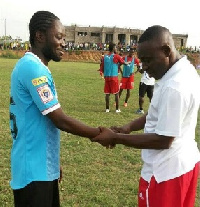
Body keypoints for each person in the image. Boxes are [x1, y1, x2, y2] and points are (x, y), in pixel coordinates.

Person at [93, 25, 200, 207]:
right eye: (141, 60)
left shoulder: (174, 86)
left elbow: (164, 140)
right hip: (184, 165)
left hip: (165, 173)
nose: (143, 67)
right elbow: (158, 112)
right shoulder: (185, 70)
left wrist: (116, 138)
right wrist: (129, 127)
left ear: (166, 51)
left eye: (148, 60)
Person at [9, 11, 100, 207]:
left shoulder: (36, 66)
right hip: (32, 172)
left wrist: (51, 160)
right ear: (40, 36)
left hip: (42, 166)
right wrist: (99, 134)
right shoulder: (32, 68)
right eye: (59, 37)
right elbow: (59, 119)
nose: (64, 42)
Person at [100, 43, 130, 113]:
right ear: (113, 48)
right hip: (114, 77)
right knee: (116, 93)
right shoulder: (116, 56)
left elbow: (102, 67)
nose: (116, 48)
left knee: (107, 93)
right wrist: (128, 62)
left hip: (107, 77)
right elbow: (123, 62)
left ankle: (107, 109)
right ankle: (117, 109)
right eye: (115, 47)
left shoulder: (105, 57)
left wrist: (104, 74)